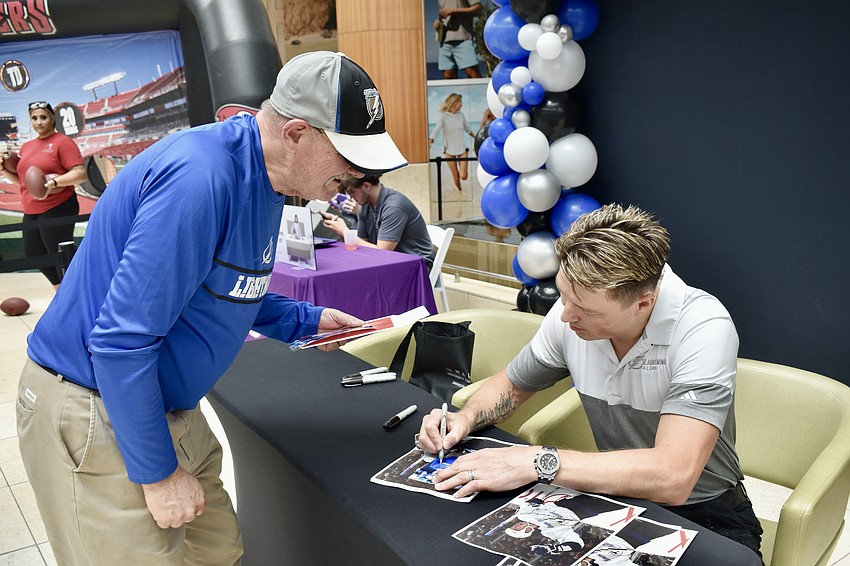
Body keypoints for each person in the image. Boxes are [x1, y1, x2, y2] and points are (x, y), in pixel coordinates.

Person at [17, 51, 407, 565]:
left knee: (220, 553)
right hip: (98, 404)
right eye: (348, 159)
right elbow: (120, 340)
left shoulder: (270, 179)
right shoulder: (199, 178)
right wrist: (157, 473)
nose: (357, 176)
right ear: (295, 135)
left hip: (158, 401)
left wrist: (305, 318)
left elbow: (225, 282)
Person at [418, 204, 764, 558]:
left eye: (585, 309)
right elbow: (512, 385)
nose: (566, 315)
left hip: (706, 512)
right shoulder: (570, 311)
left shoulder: (703, 326)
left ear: (643, 304)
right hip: (614, 498)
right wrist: (466, 416)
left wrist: (537, 460)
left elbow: (673, 476)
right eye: (564, 295)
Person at [0, 101, 87, 290]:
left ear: (52, 118)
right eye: (34, 118)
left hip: (58, 204)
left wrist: (54, 183)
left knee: (59, 255)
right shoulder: (27, 147)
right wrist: (5, 171)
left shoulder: (63, 142)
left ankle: (74, 295)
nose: (39, 122)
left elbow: (80, 174)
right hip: (32, 207)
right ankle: (61, 291)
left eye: (43, 117)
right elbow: (26, 182)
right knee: (34, 255)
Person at [321, 174, 434, 266]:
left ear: (366, 186)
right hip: (391, 261)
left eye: (352, 192)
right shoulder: (366, 207)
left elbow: (382, 251)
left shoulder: (394, 207)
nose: (351, 198)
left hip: (418, 265)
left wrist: (345, 232)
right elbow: (362, 246)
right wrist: (341, 228)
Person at [429, 93, 475, 191]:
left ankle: (459, 190)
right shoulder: (443, 116)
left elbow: (468, 129)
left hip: (462, 150)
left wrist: (476, 138)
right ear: (455, 103)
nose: (461, 104)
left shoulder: (461, 115)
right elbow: (436, 129)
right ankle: (460, 193)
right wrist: (431, 140)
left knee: (463, 176)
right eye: (460, 102)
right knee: (456, 177)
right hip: (449, 151)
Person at [434, 0, 482, 79]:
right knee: (448, 76)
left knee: (472, 73)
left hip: (463, 38)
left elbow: (478, 9)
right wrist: (438, 22)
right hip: (444, 41)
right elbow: (443, 14)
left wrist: (454, 10)